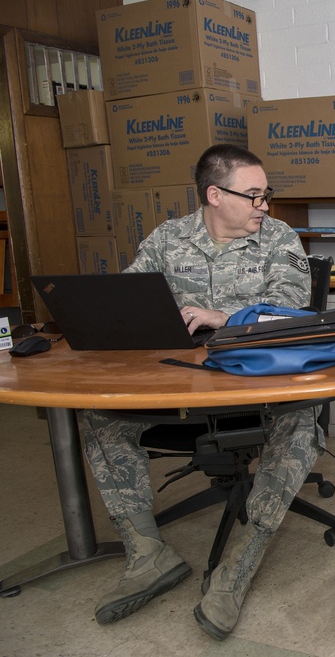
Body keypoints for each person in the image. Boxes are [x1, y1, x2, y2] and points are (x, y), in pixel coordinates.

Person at [78, 144, 317, 639]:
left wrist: (221, 317)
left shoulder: (280, 240)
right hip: (178, 384)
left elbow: (291, 315)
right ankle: (147, 554)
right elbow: (127, 300)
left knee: (301, 419)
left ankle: (240, 565)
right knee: (98, 411)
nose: (264, 205)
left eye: (265, 194)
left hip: (257, 383)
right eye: (253, 195)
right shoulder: (169, 239)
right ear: (214, 194)